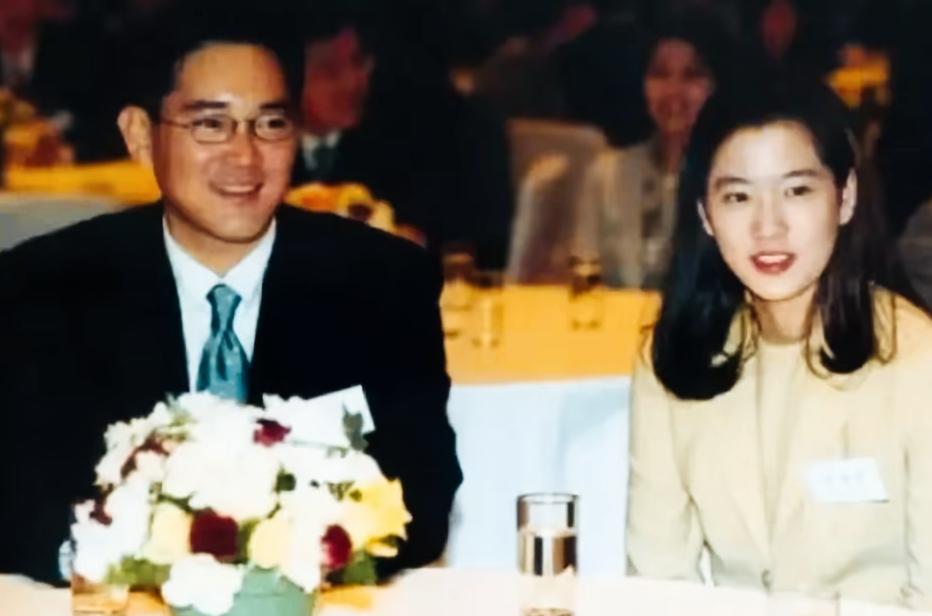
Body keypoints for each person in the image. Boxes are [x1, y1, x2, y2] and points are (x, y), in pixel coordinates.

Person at [0, 9, 462, 583]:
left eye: (270, 124)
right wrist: (163, 557)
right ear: (140, 136)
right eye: (211, 125)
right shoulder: (44, 286)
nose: (245, 156)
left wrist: (276, 552)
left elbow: (422, 503)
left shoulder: (382, 282)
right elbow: (17, 505)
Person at [626, 81, 932, 607]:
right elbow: (658, 584)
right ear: (705, 214)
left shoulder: (916, 361)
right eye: (738, 197)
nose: (768, 228)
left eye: (796, 191)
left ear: (845, 197)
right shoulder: (675, 358)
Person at [291, 6, 514, 268]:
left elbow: (469, 240)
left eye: (359, 61)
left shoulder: (416, 135)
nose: (353, 81)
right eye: (329, 71)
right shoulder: (257, 146)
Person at [572, 19, 721, 288]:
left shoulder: (734, 181)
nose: (673, 90)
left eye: (690, 76)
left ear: (715, 86)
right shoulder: (605, 174)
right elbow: (583, 275)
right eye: (660, 74)